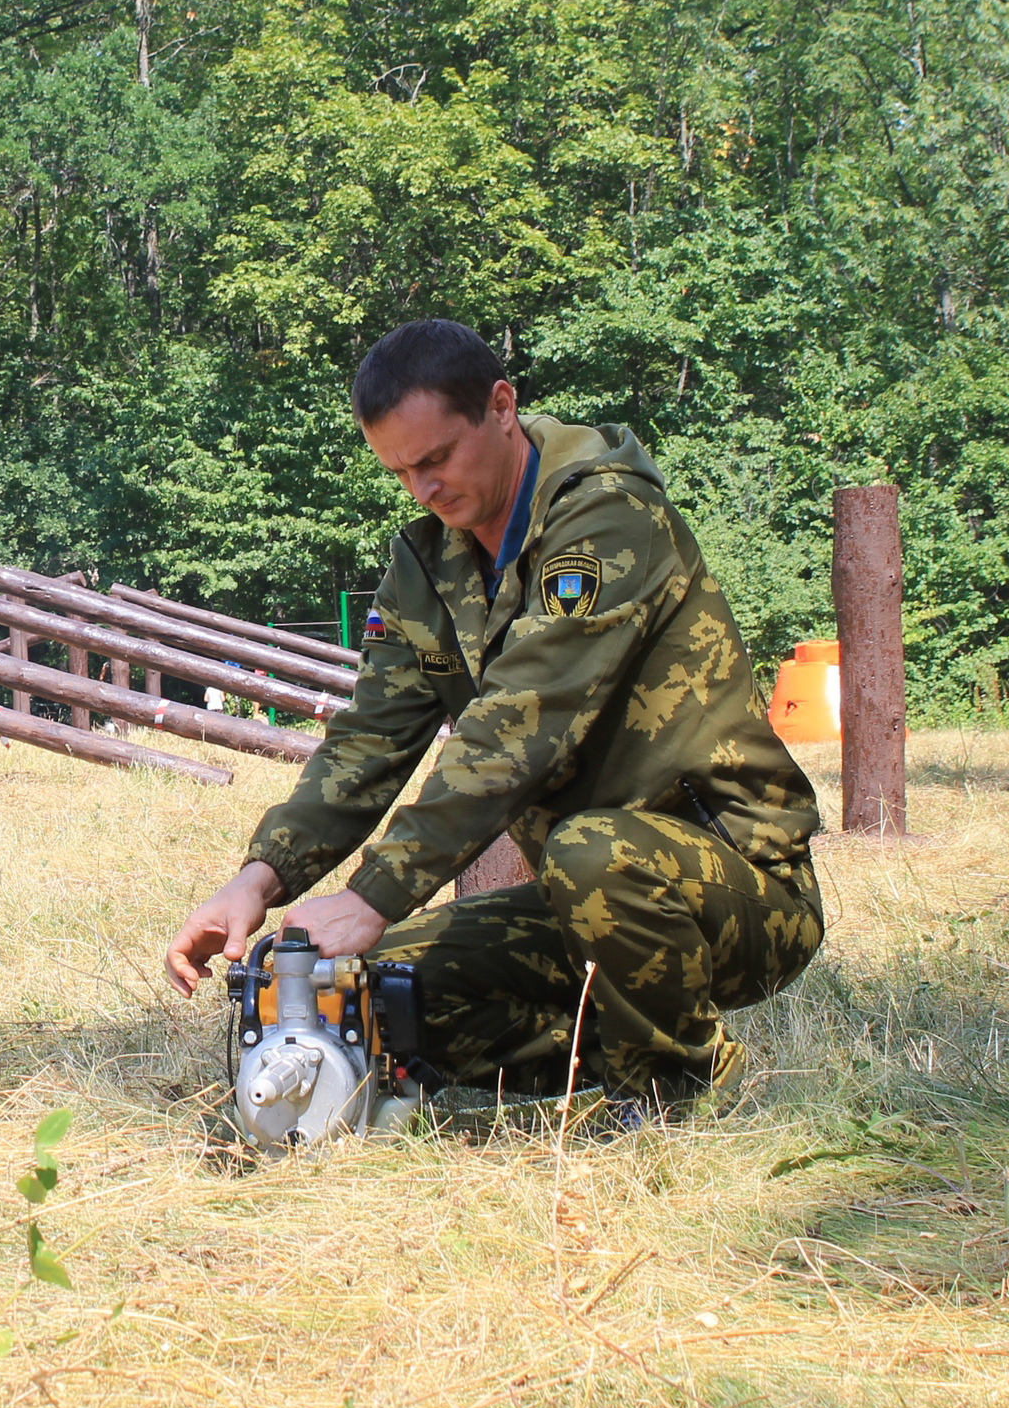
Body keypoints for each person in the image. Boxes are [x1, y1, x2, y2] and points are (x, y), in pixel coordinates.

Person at [165, 320, 825, 1116]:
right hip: (571, 898)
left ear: (502, 406)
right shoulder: (428, 567)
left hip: (734, 889)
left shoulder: (608, 519)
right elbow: (368, 744)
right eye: (400, 471)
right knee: (368, 991)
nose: (424, 490)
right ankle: (611, 1045)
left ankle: (670, 1086)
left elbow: (518, 727)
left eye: (437, 458)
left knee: (592, 854)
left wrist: (375, 894)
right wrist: (258, 879)